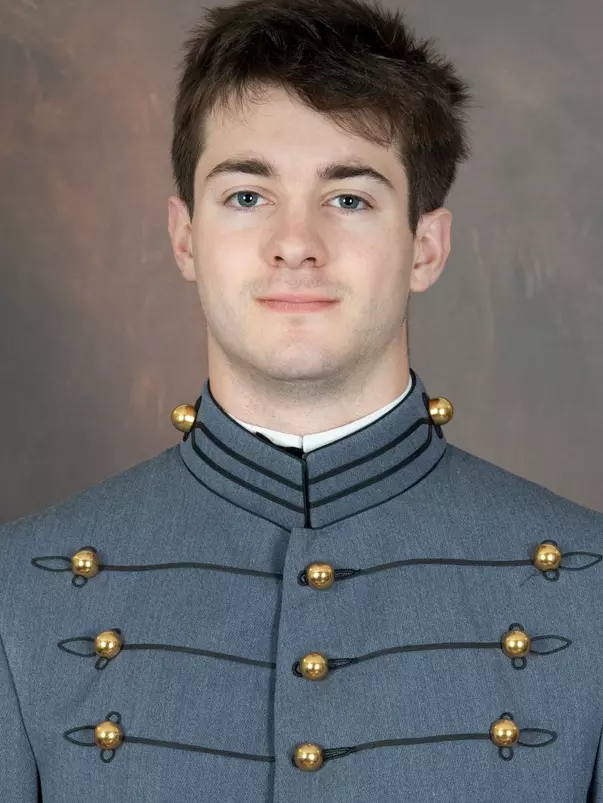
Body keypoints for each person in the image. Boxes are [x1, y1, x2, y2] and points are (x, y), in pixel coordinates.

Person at [1, 0, 601, 799]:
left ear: (426, 246)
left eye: (348, 198)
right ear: (185, 239)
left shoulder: (590, 588)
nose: (295, 241)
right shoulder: (20, 589)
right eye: (246, 196)